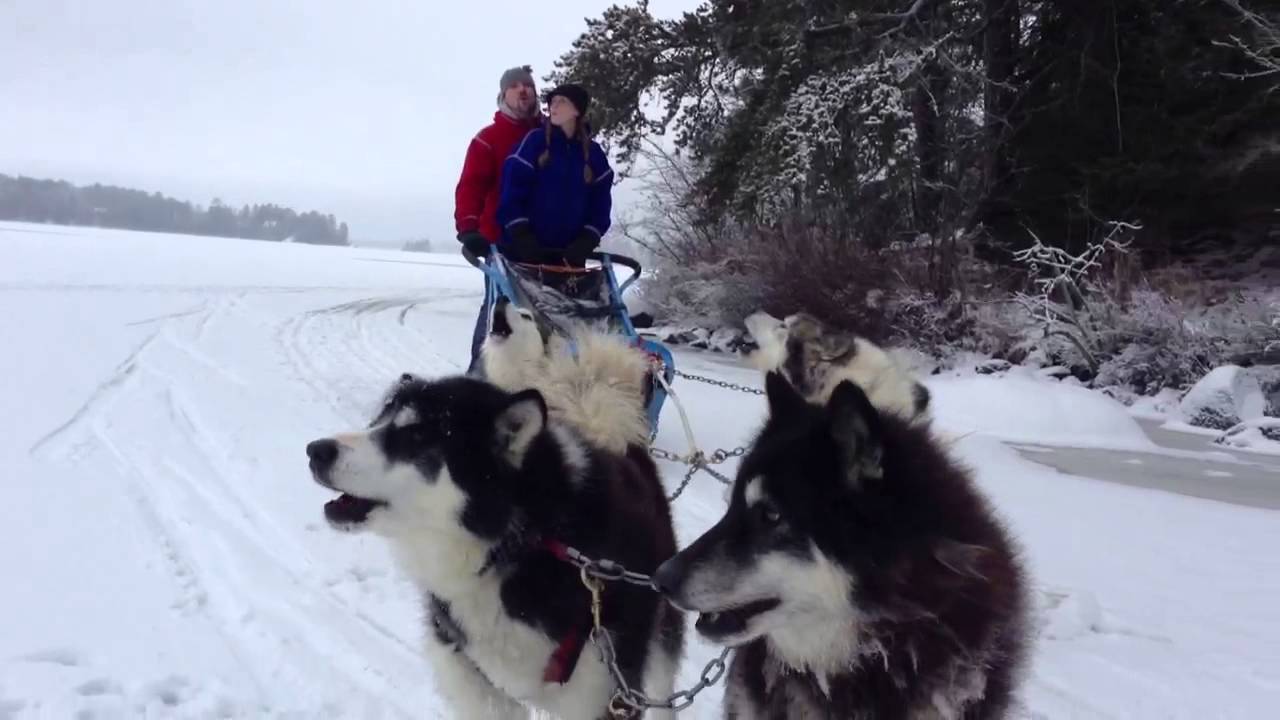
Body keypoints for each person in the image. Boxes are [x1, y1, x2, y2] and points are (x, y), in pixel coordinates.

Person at [454, 65, 543, 371]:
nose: (523, 90)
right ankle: (479, 374)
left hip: (547, 243)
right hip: (501, 242)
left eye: (527, 85)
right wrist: (468, 227)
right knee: (499, 309)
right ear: (503, 95)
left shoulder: (550, 134)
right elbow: (471, 186)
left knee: (549, 314)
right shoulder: (489, 139)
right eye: (514, 86)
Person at [496, 83, 613, 270]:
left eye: (562, 101)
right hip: (525, 253)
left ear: (577, 110)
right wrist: (521, 233)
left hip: (569, 259)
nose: (554, 106)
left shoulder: (593, 154)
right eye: (552, 102)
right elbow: (510, 191)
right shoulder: (535, 142)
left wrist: (588, 238)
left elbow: (601, 203)